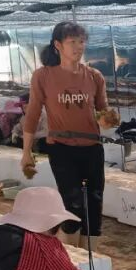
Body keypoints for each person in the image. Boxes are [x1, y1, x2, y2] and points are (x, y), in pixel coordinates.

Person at [22, 22, 109, 248]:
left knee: (94, 203)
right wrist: (26, 152)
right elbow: (32, 115)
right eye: (72, 42)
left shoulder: (94, 76)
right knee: (73, 204)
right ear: (58, 45)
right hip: (61, 148)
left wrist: (107, 119)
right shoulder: (43, 76)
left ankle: (90, 258)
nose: (79, 46)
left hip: (92, 147)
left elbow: (103, 111)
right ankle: (68, 255)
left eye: (82, 42)